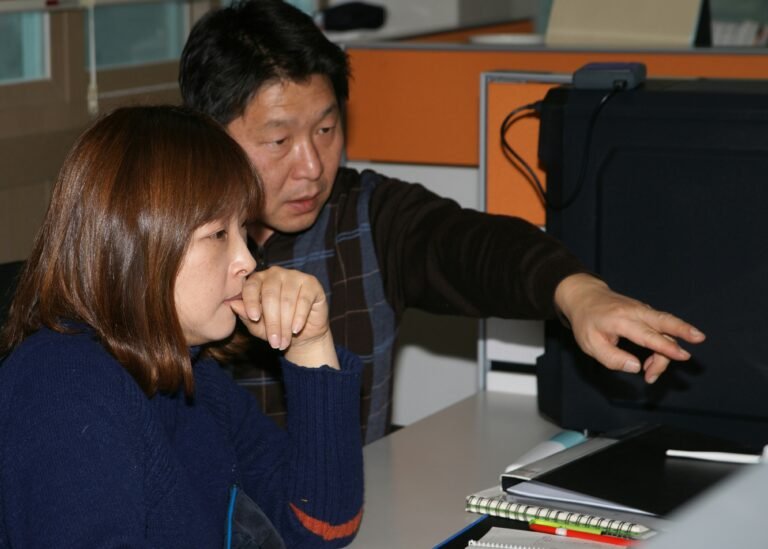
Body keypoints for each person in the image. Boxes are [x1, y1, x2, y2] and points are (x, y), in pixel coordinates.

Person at [179, 0, 706, 444]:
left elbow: (472, 247)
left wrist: (578, 294)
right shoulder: (168, 242)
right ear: (208, 135)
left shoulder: (368, 214)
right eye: (278, 141)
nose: (312, 166)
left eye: (325, 128)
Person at [0, 106, 363, 548]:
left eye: (241, 228)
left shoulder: (191, 375)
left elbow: (320, 527)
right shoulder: (62, 388)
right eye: (217, 235)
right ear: (137, 244)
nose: (247, 260)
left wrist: (310, 342)